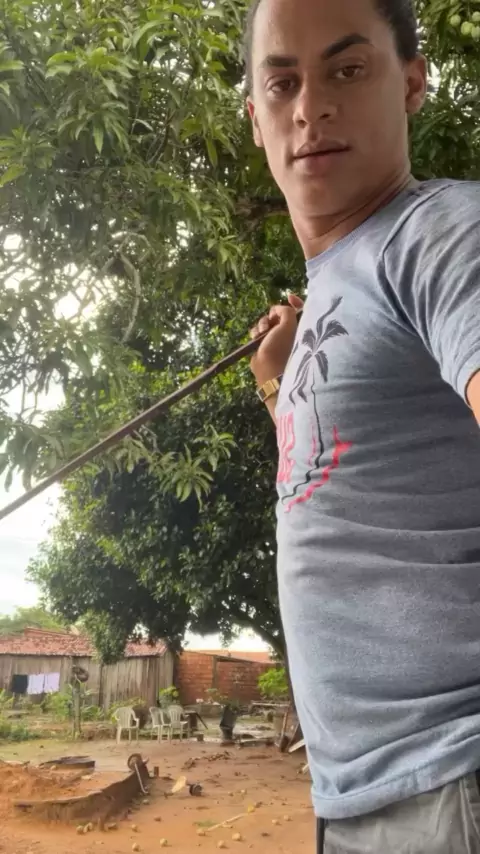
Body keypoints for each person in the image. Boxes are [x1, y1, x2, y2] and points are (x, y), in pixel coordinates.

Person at [245, 0, 480, 851]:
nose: (311, 107)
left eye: (346, 70)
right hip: (360, 795)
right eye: (283, 84)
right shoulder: (341, 282)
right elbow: (332, 477)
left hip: (452, 778)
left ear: (412, 83)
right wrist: (275, 382)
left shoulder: (440, 234)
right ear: (256, 116)